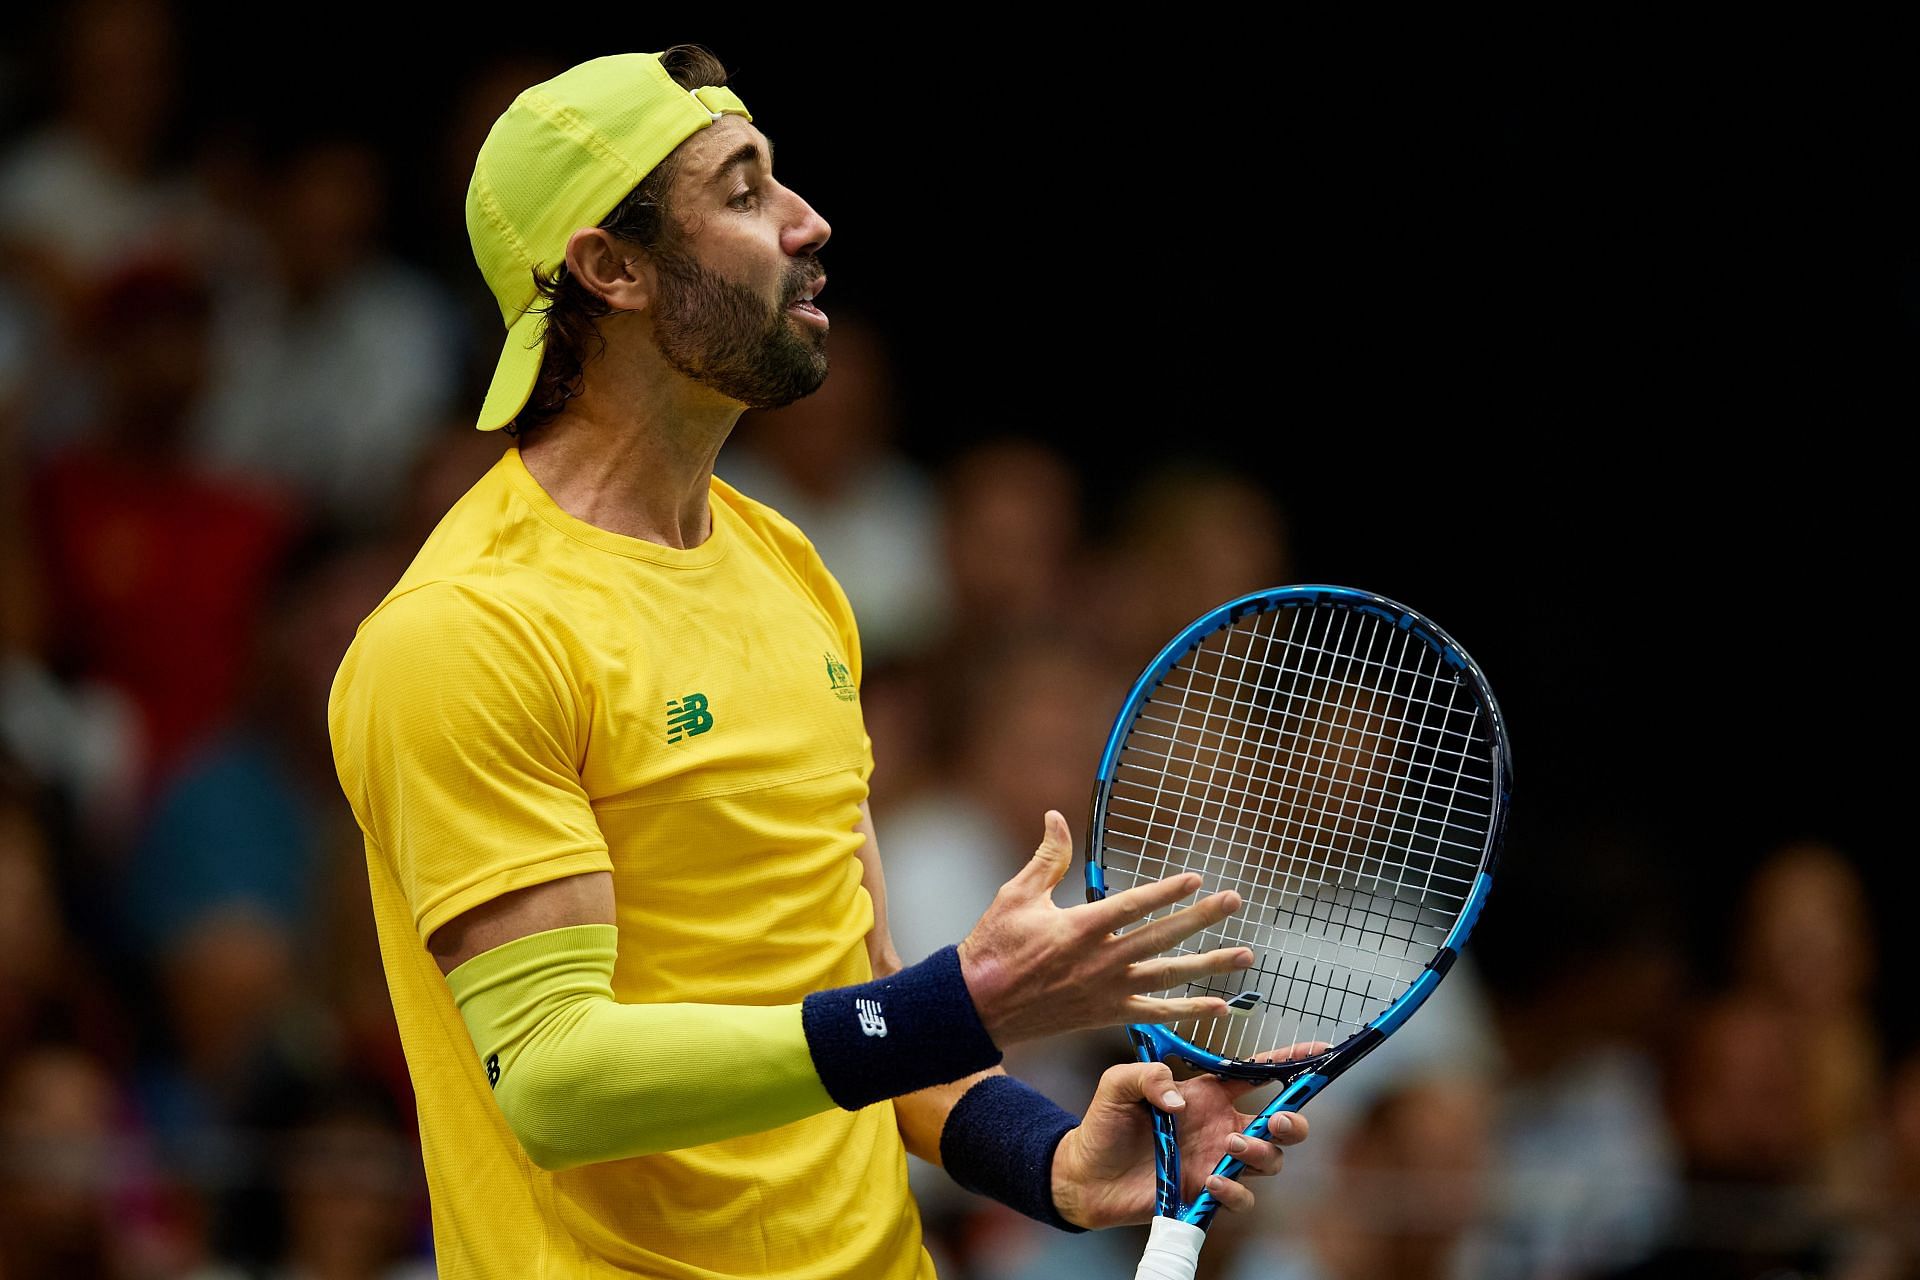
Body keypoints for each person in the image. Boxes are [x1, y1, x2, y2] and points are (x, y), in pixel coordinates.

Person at [326, 47, 1309, 1280]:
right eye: (742, 193)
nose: (806, 220)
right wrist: (968, 1001)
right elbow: (559, 1081)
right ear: (609, 268)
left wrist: (1048, 1158)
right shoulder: (468, 631)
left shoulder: (788, 570)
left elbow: (857, 993)